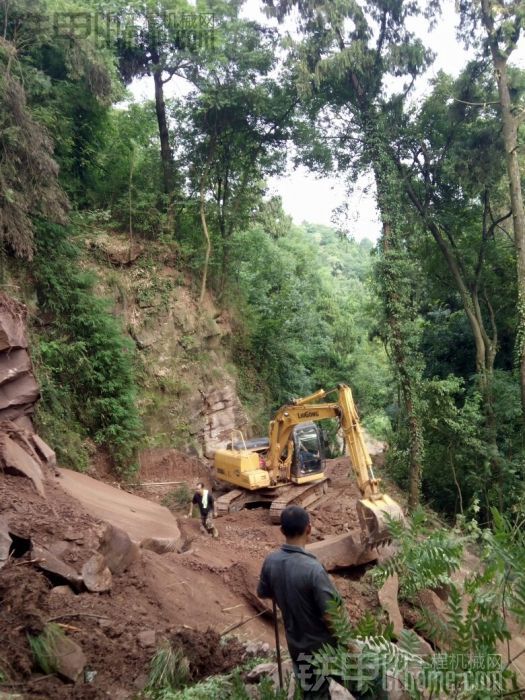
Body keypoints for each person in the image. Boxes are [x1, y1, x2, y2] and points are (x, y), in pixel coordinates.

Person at [257, 505, 340, 698]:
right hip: (326, 649)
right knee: (365, 686)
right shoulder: (313, 569)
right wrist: (347, 642)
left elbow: (263, 592)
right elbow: (330, 615)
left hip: (297, 646)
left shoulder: (271, 561)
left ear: (282, 530)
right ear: (308, 529)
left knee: (314, 694)